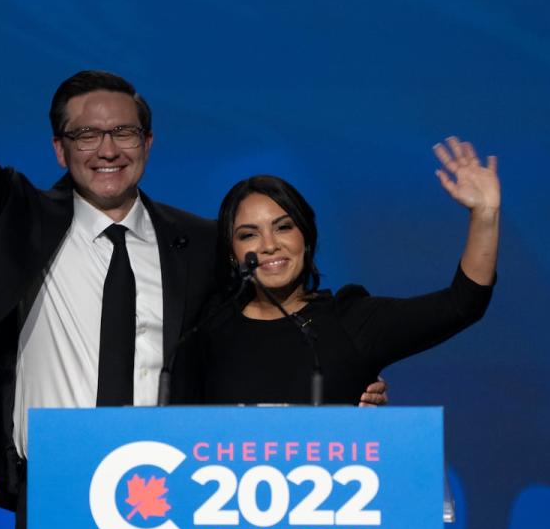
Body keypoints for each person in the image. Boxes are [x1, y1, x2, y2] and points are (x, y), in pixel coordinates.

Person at [0, 0, 388, 529]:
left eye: (122, 131)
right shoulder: (19, 221)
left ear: (147, 142)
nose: (106, 148)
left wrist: (345, 389)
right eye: (86, 134)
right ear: (59, 149)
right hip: (56, 479)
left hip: (173, 485)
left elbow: (259, 333)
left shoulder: (203, 242)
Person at [172, 138, 499, 405]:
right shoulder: (206, 329)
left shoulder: (351, 320)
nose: (270, 245)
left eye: (283, 227)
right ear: (233, 254)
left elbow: (462, 303)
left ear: (306, 238)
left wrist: (485, 215)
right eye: (249, 234)